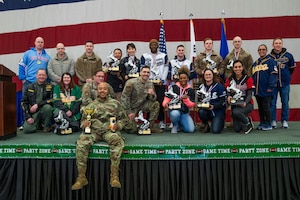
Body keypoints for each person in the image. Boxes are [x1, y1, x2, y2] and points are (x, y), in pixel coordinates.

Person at [71, 82, 127, 190]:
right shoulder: (91, 105)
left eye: (104, 89)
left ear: (108, 91)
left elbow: (124, 120)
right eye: (100, 89)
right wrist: (85, 125)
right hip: (94, 131)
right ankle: (81, 177)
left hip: (109, 131)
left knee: (117, 141)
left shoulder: (115, 104)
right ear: (97, 91)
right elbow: (82, 121)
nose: (102, 91)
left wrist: (118, 125)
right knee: (82, 142)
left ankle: (114, 176)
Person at [121, 65, 162, 133]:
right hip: (131, 107)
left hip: (142, 105)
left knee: (155, 104)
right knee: (132, 130)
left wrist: (153, 95)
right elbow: (125, 98)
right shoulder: (131, 83)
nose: (146, 74)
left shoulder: (150, 84)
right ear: (140, 73)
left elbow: (153, 100)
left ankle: (151, 126)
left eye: (148, 72)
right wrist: (129, 112)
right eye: (144, 72)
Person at [140, 39, 169, 129]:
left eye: (155, 44)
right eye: (152, 44)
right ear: (149, 46)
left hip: (160, 83)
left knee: (159, 102)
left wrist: (162, 79)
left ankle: (161, 121)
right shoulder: (144, 56)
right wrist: (146, 80)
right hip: (149, 83)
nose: (153, 46)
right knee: (149, 101)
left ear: (157, 46)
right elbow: (142, 69)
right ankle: (149, 121)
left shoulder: (163, 56)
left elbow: (166, 68)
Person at [269, 38, 296, 129]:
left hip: (284, 84)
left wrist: (286, 76)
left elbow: (291, 69)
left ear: (282, 44)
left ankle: (284, 120)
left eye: (279, 43)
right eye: (276, 43)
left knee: (285, 102)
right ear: (273, 45)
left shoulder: (288, 56)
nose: (278, 45)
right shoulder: (269, 57)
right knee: (272, 103)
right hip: (273, 84)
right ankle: (273, 120)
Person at [252, 44, 278, 131]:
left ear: (266, 50)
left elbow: (274, 75)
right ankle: (262, 122)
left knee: (266, 106)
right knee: (260, 107)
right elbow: (253, 76)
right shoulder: (255, 63)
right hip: (257, 89)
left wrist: (271, 86)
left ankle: (268, 123)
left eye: (263, 49)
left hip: (266, 89)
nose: (261, 51)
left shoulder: (271, 61)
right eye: (259, 49)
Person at [225, 60, 255, 134]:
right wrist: (228, 96)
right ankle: (246, 118)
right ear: (233, 68)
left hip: (246, 103)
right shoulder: (230, 79)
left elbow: (249, 93)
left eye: (239, 67)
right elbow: (227, 90)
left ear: (242, 67)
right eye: (235, 67)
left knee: (236, 112)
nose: (237, 69)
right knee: (237, 129)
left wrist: (245, 102)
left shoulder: (248, 78)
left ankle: (248, 124)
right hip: (235, 104)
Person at [162, 66, 195, 133]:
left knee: (190, 130)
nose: (183, 80)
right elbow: (167, 98)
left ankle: (181, 123)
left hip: (184, 112)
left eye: (184, 78)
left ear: (188, 79)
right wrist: (165, 104)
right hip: (174, 110)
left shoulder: (191, 90)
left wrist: (185, 99)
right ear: (178, 79)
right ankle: (175, 125)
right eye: (181, 78)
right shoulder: (173, 87)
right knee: (175, 114)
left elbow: (191, 105)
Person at [21, 69, 53, 133]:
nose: (41, 76)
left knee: (48, 108)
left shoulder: (50, 86)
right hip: (33, 112)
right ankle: (38, 124)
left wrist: (38, 104)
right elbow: (24, 102)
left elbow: (51, 99)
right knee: (27, 130)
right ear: (36, 76)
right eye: (40, 75)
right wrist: (28, 117)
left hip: (44, 109)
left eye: (43, 75)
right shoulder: (29, 87)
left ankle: (46, 126)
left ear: (46, 76)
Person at [197, 68, 226, 133]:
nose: (208, 76)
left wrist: (214, 106)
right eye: (206, 75)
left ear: (213, 75)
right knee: (201, 111)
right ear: (203, 76)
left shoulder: (219, 86)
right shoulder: (202, 87)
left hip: (217, 111)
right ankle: (206, 124)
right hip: (206, 110)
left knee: (216, 130)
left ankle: (220, 121)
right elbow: (200, 99)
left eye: (209, 74)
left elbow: (223, 101)